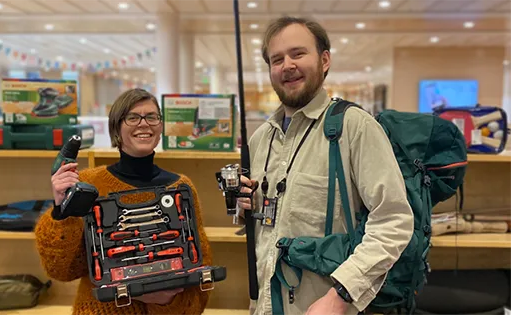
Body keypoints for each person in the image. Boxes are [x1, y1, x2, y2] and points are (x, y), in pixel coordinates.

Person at [237, 16, 414, 315]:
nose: (287, 65)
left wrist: (341, 295)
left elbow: (393, 221)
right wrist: (247, 209)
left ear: (324, 60)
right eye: (276, 59)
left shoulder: (353, 127)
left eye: (298, 53)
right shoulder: (260, 139)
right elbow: (273, 223)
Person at [34, 88, 213, 315]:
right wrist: (61, 211)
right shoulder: (89, 184)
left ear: (160, 126)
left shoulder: (180, 188)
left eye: (151, 116)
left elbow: (199, 285)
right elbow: (61, 270)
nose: (144, 124)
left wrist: (164, 301)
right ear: (116, 127)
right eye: (132, 117)